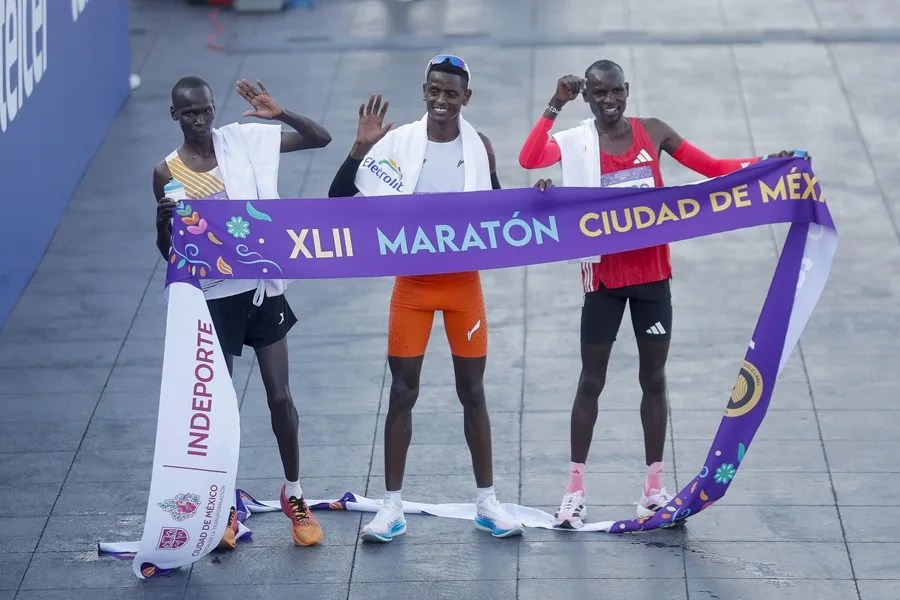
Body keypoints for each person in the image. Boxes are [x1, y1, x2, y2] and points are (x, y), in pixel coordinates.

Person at [519, 60, 802, 529]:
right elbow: (530, 160)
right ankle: (574, 491)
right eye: (598, 95)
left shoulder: (652, 131)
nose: (609, 102)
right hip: (604, 280)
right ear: (587, 99)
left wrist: (765, 165)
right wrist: (555, 105)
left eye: (615, 93)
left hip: (652, 277)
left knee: (654, 379)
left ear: (627, 91)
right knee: (592, 380)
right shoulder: (577, 142)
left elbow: (712, 169)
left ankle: (653, 489)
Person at [328, 55, 524, 542]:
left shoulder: (478, 146)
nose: (440, 100)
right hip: (412, 288)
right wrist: (358, 151)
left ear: (466, 98)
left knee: (473, 394)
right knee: (402, 393)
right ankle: (391, 507)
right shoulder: (396, 143)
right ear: (425, 91)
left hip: (464, 288)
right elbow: (336, 202)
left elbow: (499, 214)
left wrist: (529, 192)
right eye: (433, 91)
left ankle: (487, 503)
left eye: (450, 93)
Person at [153, 76, 332, 547]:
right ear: (175, 115)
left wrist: (282, 113)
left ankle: (294, 494)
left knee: (280, 399)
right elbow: (169, 252)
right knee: (221, 410)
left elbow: (319, 139)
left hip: (261, 289)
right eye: (189, 113)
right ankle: (226, 505)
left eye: (206, 110)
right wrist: (162, 227)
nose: (200, 120)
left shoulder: (243, 143)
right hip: (214, 300)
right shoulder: (167, 172)